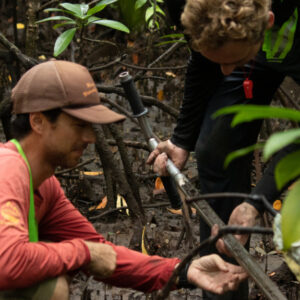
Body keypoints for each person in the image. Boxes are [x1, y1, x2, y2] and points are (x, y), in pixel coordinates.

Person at [0, 60, 248, 299]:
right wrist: (84, 253)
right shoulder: (7, 169)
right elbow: (8, 261)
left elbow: (103, 255)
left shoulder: (45, 184)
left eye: (90, 126)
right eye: (78, 125)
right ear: (38, 121)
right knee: (51, 287)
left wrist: (184, 271)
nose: (90, 137)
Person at [148, 0, 300, 299]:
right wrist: (182, 140)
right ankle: (222, 288)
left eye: (231, 61)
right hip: (253, 53)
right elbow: (204, 61)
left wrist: (257, 202)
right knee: (217, 147)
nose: (224, 70)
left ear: (267, 22)